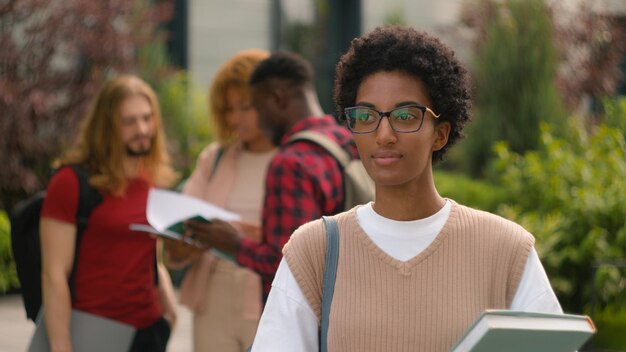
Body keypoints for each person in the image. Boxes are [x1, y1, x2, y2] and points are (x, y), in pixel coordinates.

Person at [250, 26, 563, 351]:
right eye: (366, 115)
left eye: (404, 115)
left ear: (440, 134)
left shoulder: (506, 250)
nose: (383, 134)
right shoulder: (314, 251)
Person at [185, 50, 359, 301]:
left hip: (302, 320)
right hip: (345, 301)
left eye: (256, 107)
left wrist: (234, 244)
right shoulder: (346, 142)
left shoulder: (289, 163)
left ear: (277, 99)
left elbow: (289, 267)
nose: (259, 120)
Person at [40, 74, 178, 352]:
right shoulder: (70, 182)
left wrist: (169, 310)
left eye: (147, 118)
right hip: (94, 331)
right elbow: (53, 274)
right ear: (106, 127)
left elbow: (151, 255)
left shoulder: (151, 179)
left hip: (148, 331)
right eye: (129, 121)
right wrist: (61, 344)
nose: (142, 129)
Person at [164, 49, 277, 352]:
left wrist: (236, 236)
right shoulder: (215, 158)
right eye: (228, 108)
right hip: (213, 294)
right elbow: (183, 223)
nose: (235, 117)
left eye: (245, 106)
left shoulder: (293, 159)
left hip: (268, 294)